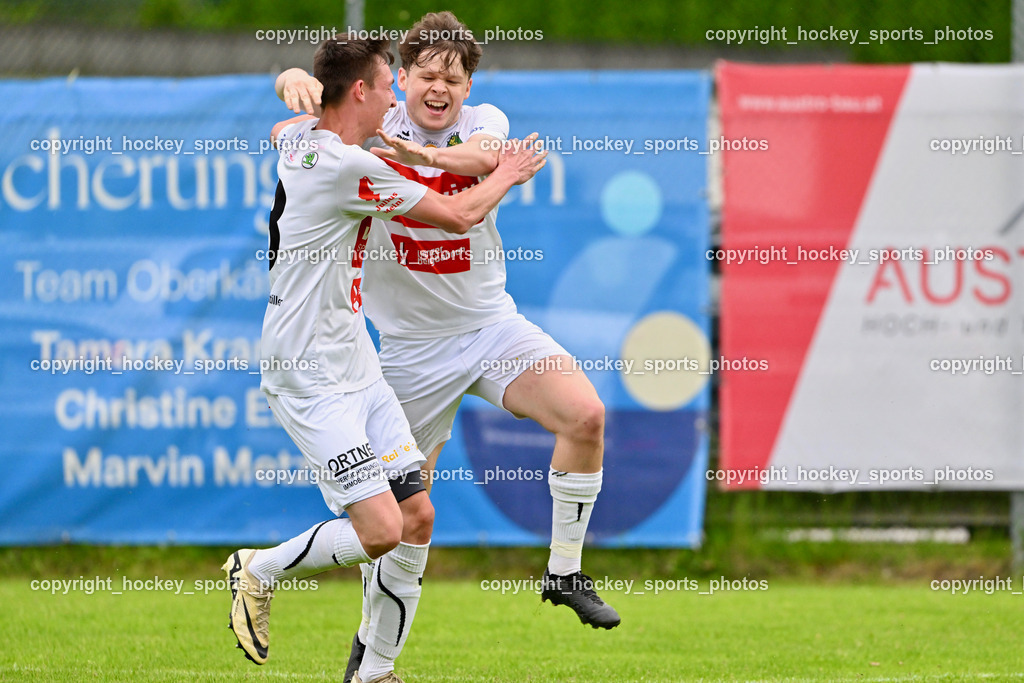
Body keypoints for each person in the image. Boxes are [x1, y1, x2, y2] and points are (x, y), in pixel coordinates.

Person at [276, 17, 620, 683]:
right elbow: (295, 127)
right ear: (398, 79)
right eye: (427, 74)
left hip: (493, 327)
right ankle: (372, 661)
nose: (441, 88)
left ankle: (563, 572)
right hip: (408, 351)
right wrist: (292, 78)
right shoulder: (360, 130)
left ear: (469, 86)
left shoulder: (479, 120)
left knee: (586, 416)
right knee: (407, 516)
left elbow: (486, 161)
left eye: (453, 77)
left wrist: (415, 158)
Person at [224, 34, 546, 683]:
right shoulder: (350, 168)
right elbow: (458, 215)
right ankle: (257, 568)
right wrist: (507, 174)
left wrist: (292, 76)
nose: (398, 95)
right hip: (307, 369)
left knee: (417, 514)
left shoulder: (311, 142)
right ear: (364, 91)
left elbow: (289, 117)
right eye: (389, 84)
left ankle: (375, 672)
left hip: (357, 360)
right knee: (378, 530)